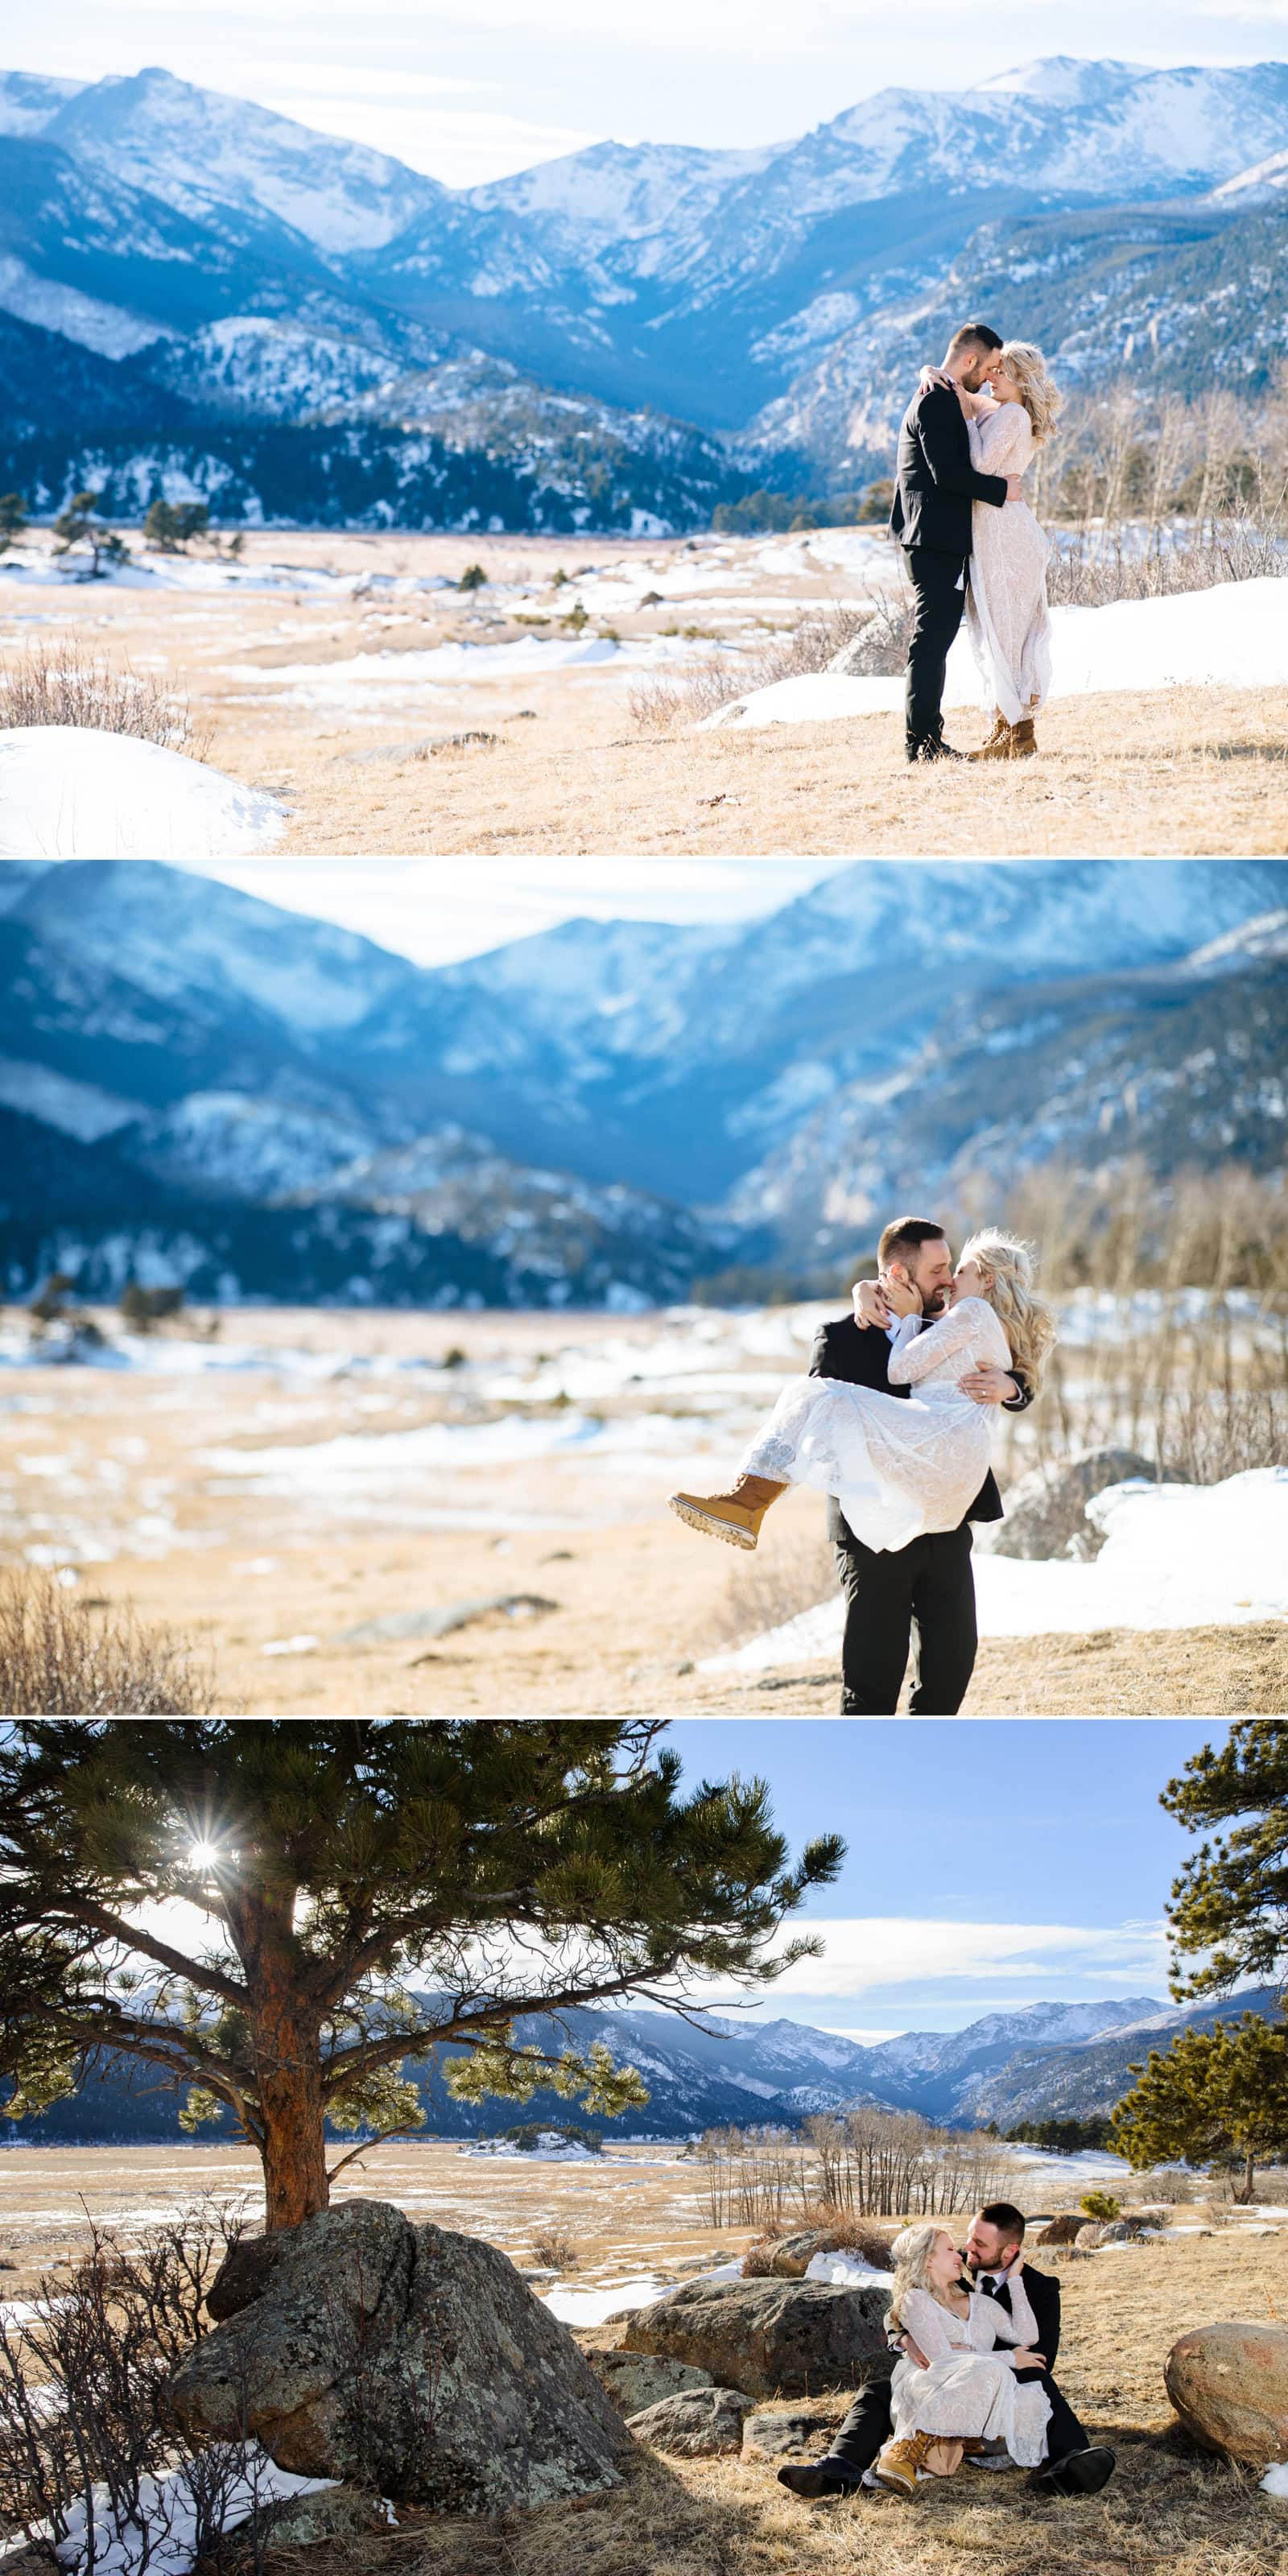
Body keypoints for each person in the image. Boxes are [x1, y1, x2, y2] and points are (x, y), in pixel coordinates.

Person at [668, 1222, 1054, 1714]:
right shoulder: (839, 1338)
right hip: (873, 1535)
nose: (947, 1282)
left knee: (952, 1668)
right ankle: (746, 1502)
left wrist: (1013, 1385)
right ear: (898, 1273)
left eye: (952, 1269)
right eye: (938, 1271)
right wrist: (875, 1303)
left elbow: (1015, 1357)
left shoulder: (948, 1321)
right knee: (872, 1680)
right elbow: (815, 1432)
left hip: (945, 1525)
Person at [777, 2200, 1116, 2503]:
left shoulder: (1040, 2288)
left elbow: (1039, 2355)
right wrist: (904, 2337)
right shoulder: (960, 2272)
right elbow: (905, 2306)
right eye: (967, 2239)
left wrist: (986, 2358)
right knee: (878, 2391)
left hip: (1001, 2380)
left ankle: (1072, 2459)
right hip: (942, 2379)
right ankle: (840, 2468)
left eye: (978, 2244)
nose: (967, 2250)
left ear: (1010, 2252)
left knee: (1037, 2378)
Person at [919, 339, 1061, 761]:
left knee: (1006, 633)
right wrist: (930, 372)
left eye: (1001, 371)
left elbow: (978, 466)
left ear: (1020, 380)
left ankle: (1015, 735)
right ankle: (1010, 731)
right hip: (997, 534)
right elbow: (968, 398)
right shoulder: (1008, 412)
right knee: (1001, 632)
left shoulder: (1014, 415)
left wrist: (962, 417)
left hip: (1005, 538)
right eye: (992, 368)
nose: (990, 376)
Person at [890, 323, 1025, 763]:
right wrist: (1004, 490)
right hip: (933, 540)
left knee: (934, 639)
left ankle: (926, 740)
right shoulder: (935, 401)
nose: (989, 377)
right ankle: (923, 745)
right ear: (969, 360)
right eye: (987, 367)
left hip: (934, 537)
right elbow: (948, 475)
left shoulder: (943, 393)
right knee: (931, 641)